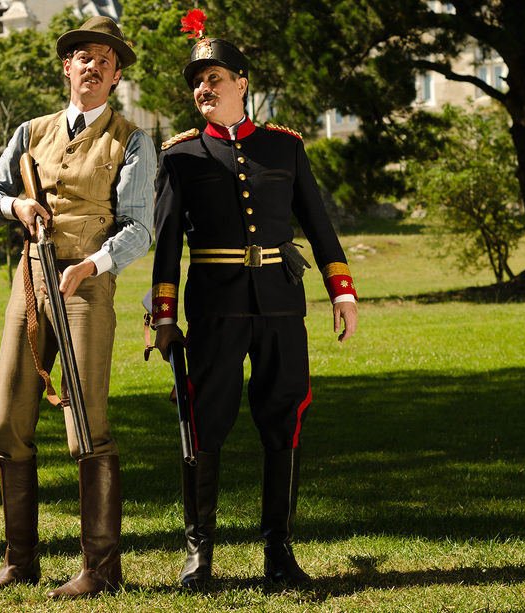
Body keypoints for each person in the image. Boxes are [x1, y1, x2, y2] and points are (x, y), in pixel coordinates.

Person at [150, 35, 358, 588]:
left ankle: (280, 554)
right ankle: (199, 555)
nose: (203, 87)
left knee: (284, 421)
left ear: (242, 82)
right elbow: (168, 244)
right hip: (216, 307)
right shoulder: (180, 155)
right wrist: (165, 317)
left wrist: (342, 290)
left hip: (281, 305)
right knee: (202, 424)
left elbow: (317, 221)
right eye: (197, 81)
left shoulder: (285, 147)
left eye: (214, 78)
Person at [0, 16, 154, 598]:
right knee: (7, 424)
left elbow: (140, 228)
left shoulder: (133, 139)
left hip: (86, 288)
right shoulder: (30, 133)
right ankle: (20, 561)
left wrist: (91, 266)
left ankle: (101, 569)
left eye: (104, 59)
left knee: (86, 429)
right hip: (29, 286)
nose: (92, 67)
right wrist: (18, 207)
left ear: (116, 75)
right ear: (66, 68)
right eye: (83, 58)